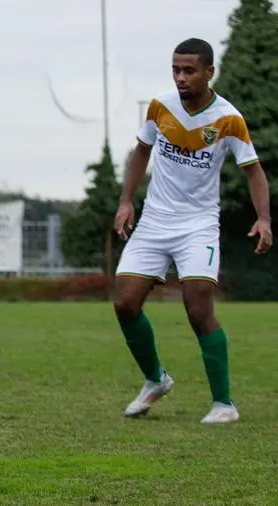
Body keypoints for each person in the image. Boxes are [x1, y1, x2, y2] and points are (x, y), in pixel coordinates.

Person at [113, 38, 272, 425]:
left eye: (189, 70)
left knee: (198, 310)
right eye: (176, 70)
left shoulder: (228, 119)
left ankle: (224, 404)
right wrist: (126, 200)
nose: (181, 77)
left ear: (208, 72)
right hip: (154, 220)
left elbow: (253, 171)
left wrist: (264, 218)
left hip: (198, 225)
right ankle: (155, 380)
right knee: (125, 303)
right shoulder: (160, 106)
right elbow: (141, 152)